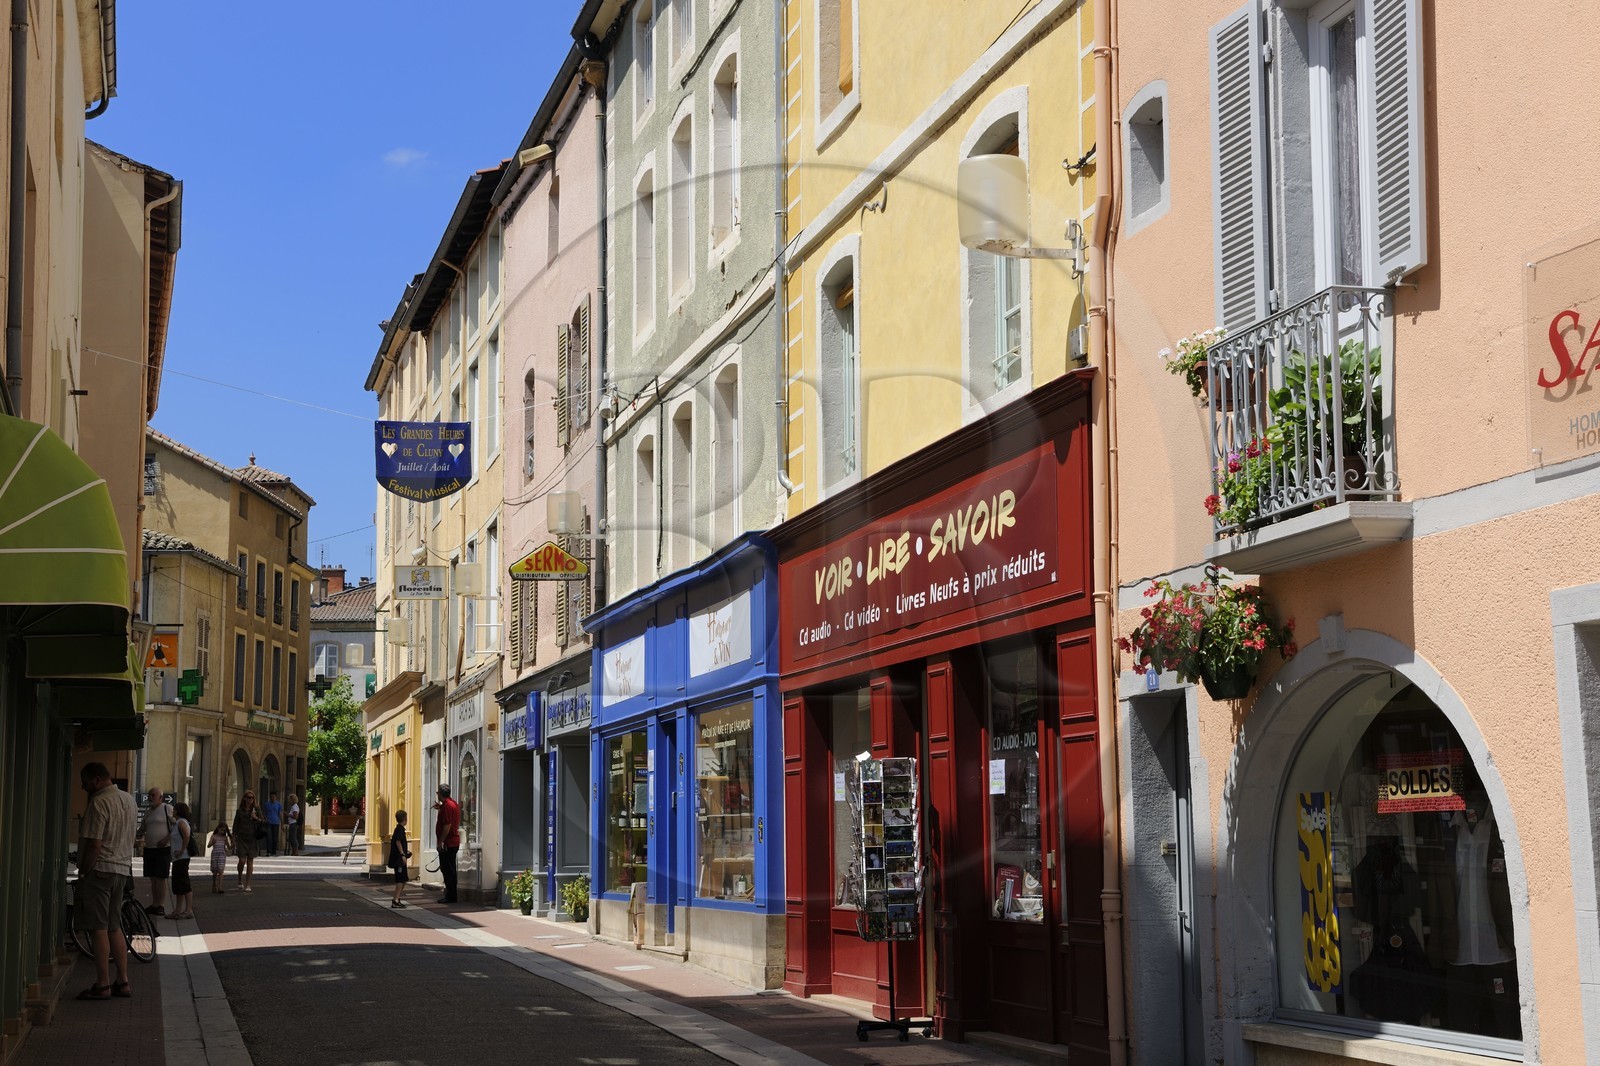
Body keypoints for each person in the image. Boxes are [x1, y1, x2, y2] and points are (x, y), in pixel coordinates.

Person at [75, 762, 137, 1000]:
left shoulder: (98, 802)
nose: (83, 787)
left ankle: (102, 984)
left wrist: (83, 871)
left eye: (85, 782)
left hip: (100, 870)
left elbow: (94, 844)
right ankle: (123, 981)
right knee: (114, 925)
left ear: (96, 779)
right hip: (122, 870)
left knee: (97, 927)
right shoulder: (129, 800)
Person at [137, 786, 175, 916]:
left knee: (161, 878)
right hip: (149, 849)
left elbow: (176, 826)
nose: (150, 797)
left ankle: (161, 905)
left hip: (163, 849)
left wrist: (166, 839)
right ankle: (155, 904)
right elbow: (142, 829)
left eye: (153, 795)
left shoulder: (167, 808)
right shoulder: (148, 812)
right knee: (153, 878)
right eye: (149, 795)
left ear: (160, 797)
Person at [433, 784, 461, 904]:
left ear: (440, 793)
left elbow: (447, 825)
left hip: (448, 843)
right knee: (449, 869)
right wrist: (440, 808)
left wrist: (441, 841)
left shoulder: (447, 806)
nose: (437, 794)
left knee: (447, 869)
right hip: (452, 842)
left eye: (437, 792)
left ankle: (451, 895)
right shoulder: (452, 804)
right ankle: (451, 894)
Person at [168, 801, 196, 919]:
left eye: (174, 809)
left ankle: (188, 910)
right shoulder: (177, 823)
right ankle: (178, 910)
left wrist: (181, 850)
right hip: (177, 859)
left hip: (182, 857)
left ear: (178, 811)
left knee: (184, 883)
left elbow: (186, 836)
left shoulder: (181, 823)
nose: (173, 811)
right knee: (178, 884)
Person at [232, 791, 263, 892]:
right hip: (242, 838)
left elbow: (263, 822)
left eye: (252, 798)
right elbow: (235, 825)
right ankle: (239, 878)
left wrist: (256, 818)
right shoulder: (239, 811)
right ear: (244, 798)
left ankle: (248, 884)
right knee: (242, 861)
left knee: (250, 861)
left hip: (253, 838)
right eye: (249, 797)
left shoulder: (256, 809)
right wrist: (233, 838)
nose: (250, 800)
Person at [388, 810, 413, 908]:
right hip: (398, 860)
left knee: (404, 879)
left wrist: (405, 852)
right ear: (405, 819)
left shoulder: (399, 829)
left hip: (400, 858)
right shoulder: (399, 830)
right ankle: (395, 900)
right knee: (400, 880)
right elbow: (398, 842)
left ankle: (397, 898)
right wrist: (402, 854)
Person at [208, 820, 231, 894]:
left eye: (224, 831)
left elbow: (228, 847)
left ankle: (220, 887)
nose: (222, 832)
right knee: (215, 872)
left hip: (222, 855)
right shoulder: (213, 837)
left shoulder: (225, 838)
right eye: (221, 830)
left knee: (221, 871)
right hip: (215, 855)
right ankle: (214, 884)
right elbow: (208, 845)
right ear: (218, 828)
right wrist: (212, 843)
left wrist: (232, 844)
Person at [263, 790, 283, 856]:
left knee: (275, 838)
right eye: (271, 796)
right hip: (269, 822)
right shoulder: (266, 804)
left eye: (273, 796)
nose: (272, 798)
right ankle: (268, 851)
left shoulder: (278, 804)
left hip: (276, 822)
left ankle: (274, 851)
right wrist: (265, 819)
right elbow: (264, 813)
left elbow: (280, 814)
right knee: (269, 837)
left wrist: (282, 823)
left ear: (275, 797)